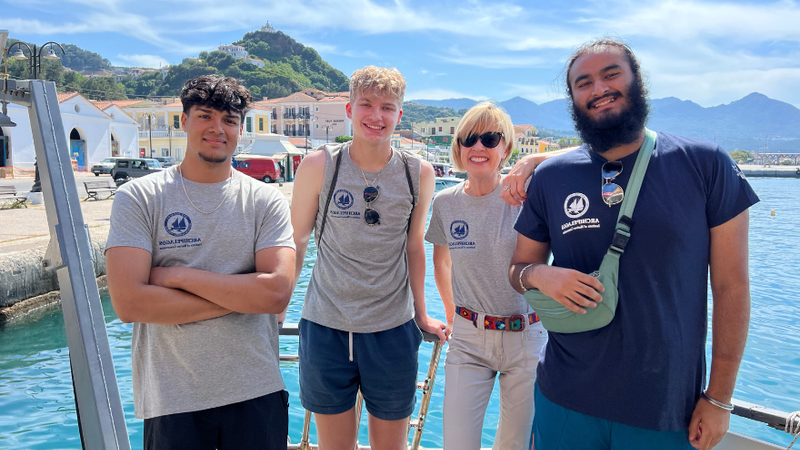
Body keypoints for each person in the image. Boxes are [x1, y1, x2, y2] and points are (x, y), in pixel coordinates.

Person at [508, 39, 759, 450]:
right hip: (564, 397)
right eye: (583, 82)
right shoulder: (552, 178)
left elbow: (732, 287)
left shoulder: (706, 164)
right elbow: (518, 270)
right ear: (572, 98)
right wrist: (540, 274)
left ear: (636, 79)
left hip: (665, 409)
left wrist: (719, 398)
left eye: (611, 74)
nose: (598, 88)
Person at [105, 75, 296, 450]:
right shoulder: (139, 198)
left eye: (229, 120)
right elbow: (129, 304)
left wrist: (176, 276)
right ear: (184, 121)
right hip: (173, 398)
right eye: (205, 116)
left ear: (240, 129)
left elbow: (275, 294)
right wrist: (241, 296)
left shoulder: (265, 201)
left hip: (256, 389)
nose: (217, 129)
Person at [291, 66, 447, 450]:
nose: (376, 116)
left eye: (387, 108)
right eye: (367, 105)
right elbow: (296, 240)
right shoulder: (319, 165)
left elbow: (414, 246)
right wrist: (279, 308)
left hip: (393, 328)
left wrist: (422, 315)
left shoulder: (418, 173)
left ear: (400, 115)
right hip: (325, 325)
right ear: (349, 108)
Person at [425, 102, 548, 450]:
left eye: (490, 138)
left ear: (506, 148)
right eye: (469, 138)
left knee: (515, 445)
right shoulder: (445, 202)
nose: (478, 147)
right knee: (457, 444)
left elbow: (591, 153)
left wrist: (533, 161)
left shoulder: (528, 195)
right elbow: (441, 262)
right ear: (458, 147)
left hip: (526, 336)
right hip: (468, 340)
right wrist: (453, 314)